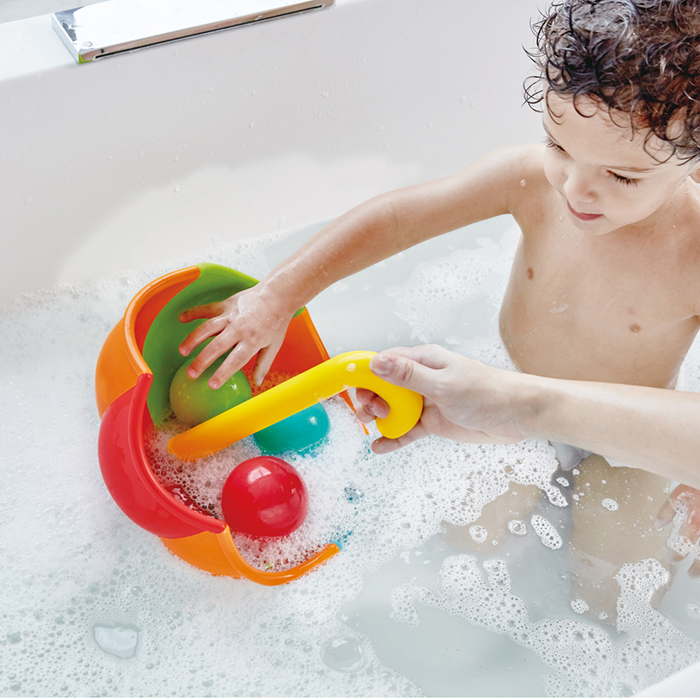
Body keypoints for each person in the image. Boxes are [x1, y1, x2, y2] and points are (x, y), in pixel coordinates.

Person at [177, 0, 700, 609]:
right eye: (558, 146)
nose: (576, 189)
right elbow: (399, 219)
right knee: (464, 547)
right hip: (500, 395)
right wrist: (278, 296)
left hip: (632, 438)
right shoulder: (531, 180)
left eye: (622, 177)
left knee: (612, 594)